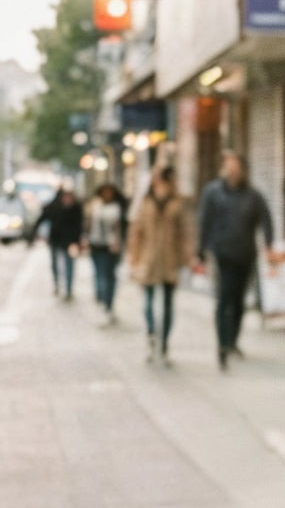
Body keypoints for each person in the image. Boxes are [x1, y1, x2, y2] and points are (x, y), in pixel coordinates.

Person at [198, 152, 273, 370]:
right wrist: (201, 250)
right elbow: (204, 221)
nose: (232, 172)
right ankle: (222, 344)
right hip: (222, 254)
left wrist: (269, 243)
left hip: (245, 253)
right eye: (229, 167)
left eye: (236, 168)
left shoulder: (252, 195)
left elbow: (266, 218)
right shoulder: (213, 193)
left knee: (239, 300)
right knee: (224, 298)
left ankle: (232, 341)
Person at [126, 165, 195, 365]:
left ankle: (164, 344)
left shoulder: (177, 203)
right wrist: (134, 257)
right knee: (148, 301)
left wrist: (188, 257)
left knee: (168, 304)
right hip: (149, 259)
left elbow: (185, 233)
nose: (162, 184)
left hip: (170, 259)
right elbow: (136, 231)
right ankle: (151, 334)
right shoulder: (145, 202)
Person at [83, 183, 126, 322]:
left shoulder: (117, 208)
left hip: (110, 246)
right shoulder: (95, 205)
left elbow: (121, 228)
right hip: (96, 244)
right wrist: (85, 238)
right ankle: (101, 298)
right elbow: (89, 223)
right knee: (99, 273)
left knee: (109, 276)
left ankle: (108, 303)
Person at [37, 185, 86, 301]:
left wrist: (78, 240)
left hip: (70, 242)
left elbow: (79, 226)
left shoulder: (76, 208)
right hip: (56, 240)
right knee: (55, 264)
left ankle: (68, 289)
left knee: (69, 265)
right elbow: (43, 216)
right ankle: (57, 284)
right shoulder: (55, 207)